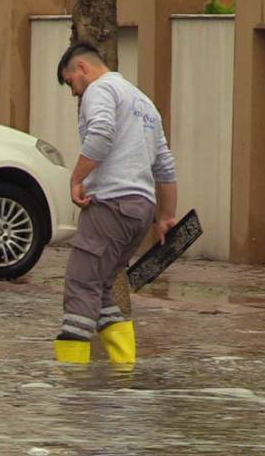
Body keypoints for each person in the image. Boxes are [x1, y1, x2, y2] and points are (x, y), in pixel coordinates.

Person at [53, 41, 178, 365]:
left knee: (80, 287)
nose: (73, 93)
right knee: (104, 288)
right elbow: (164, 163)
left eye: (70, 83)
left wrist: (77, 178)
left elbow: (101, 133)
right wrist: (166, 215)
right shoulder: (144, 103)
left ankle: (70, 384)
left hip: (110, 205)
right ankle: (124, 372)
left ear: (82, 68)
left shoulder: (100, 90)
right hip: (141, 210)